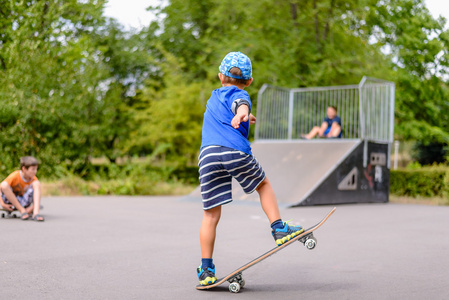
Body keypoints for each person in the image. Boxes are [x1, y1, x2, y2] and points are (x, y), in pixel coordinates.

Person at [197, 52, 304, 286]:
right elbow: (239, 103)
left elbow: (231, 107)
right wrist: (243, 113)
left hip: (208, 155)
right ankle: (279, 228)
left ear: (220, 77)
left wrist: (244, 115)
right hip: (234, 150)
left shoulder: (214, 96)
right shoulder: (241, 93)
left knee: (210, 214)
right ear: (249, 81)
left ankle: (206, 270)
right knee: (263, 185)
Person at [0, 156, 44, 221]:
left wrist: (32, 207)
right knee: (4, 185)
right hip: (11, 201)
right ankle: (22, 211)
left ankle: (36, 213)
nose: (35, 172)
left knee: (37, 183)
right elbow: (1, 187)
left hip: (24, 202)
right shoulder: (15, 176)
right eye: (33, 169)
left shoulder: (33, 179)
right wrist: (2, 204)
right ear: (24, 169)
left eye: (36, 169)